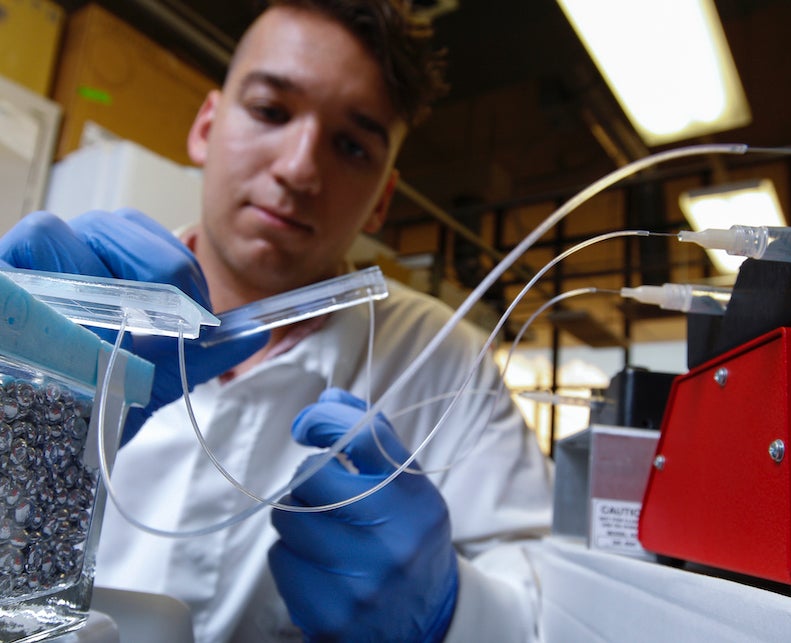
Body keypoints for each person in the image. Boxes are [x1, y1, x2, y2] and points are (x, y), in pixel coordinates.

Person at [0, 1, 552, 641]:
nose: (299, 168)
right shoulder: (78, 302)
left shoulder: (441, 359)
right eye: (270, 111)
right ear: (206, 126)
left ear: (383, 203)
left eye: (351, 145)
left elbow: (542, 603)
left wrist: (453, 612)